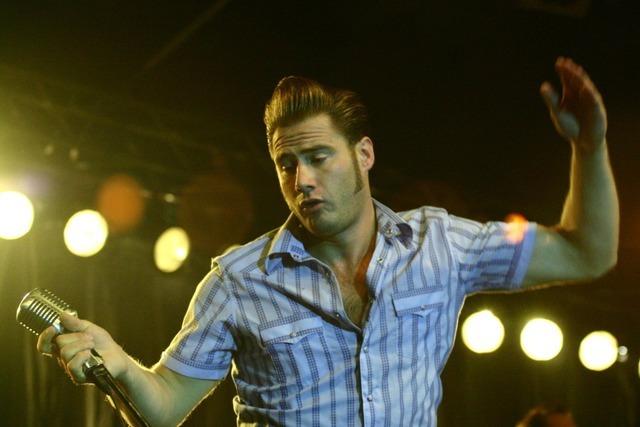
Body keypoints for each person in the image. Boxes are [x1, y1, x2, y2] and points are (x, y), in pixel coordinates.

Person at [37, 57, 618, 426]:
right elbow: (164, 406)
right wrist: (120, 367)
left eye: (319, 157)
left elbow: (587, 253)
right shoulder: (239, 280)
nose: (303, 179)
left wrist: (589, 148)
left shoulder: (438, 244)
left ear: (364, 155)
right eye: (286, 164)